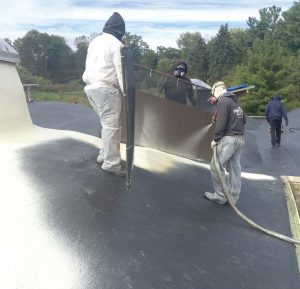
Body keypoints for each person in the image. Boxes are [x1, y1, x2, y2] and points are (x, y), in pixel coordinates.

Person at [82, 12, 126, 177]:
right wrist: (126, 93)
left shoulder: (95, 41)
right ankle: (112, 164)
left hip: (91, 88)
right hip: (106, 89)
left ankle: (103, 155)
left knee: (105, 125)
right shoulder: (116, 44)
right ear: (120, 30)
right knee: (112, 127)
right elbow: (120, 71)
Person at [204, 81, 246, 205]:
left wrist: (216, 139)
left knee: (215, 166)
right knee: (235, 168)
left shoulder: (223, 101)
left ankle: (220, 196)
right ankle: (233, 198)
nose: (214, 98)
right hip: (240, 138)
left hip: (229, 139)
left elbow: (221, 123)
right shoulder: (235, 102)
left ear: (217, 91)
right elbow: (243, 120)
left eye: (213, 95)